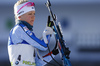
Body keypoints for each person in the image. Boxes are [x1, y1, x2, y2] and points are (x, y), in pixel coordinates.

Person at [8, 0, 59, 66]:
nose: (33, 17)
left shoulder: (28, 34)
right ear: (19, 16)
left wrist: (54, 53)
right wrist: (48, 33)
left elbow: (38, 63)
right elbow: (44, 46)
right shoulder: (19, 29)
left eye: (34, 14)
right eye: (29, 14)